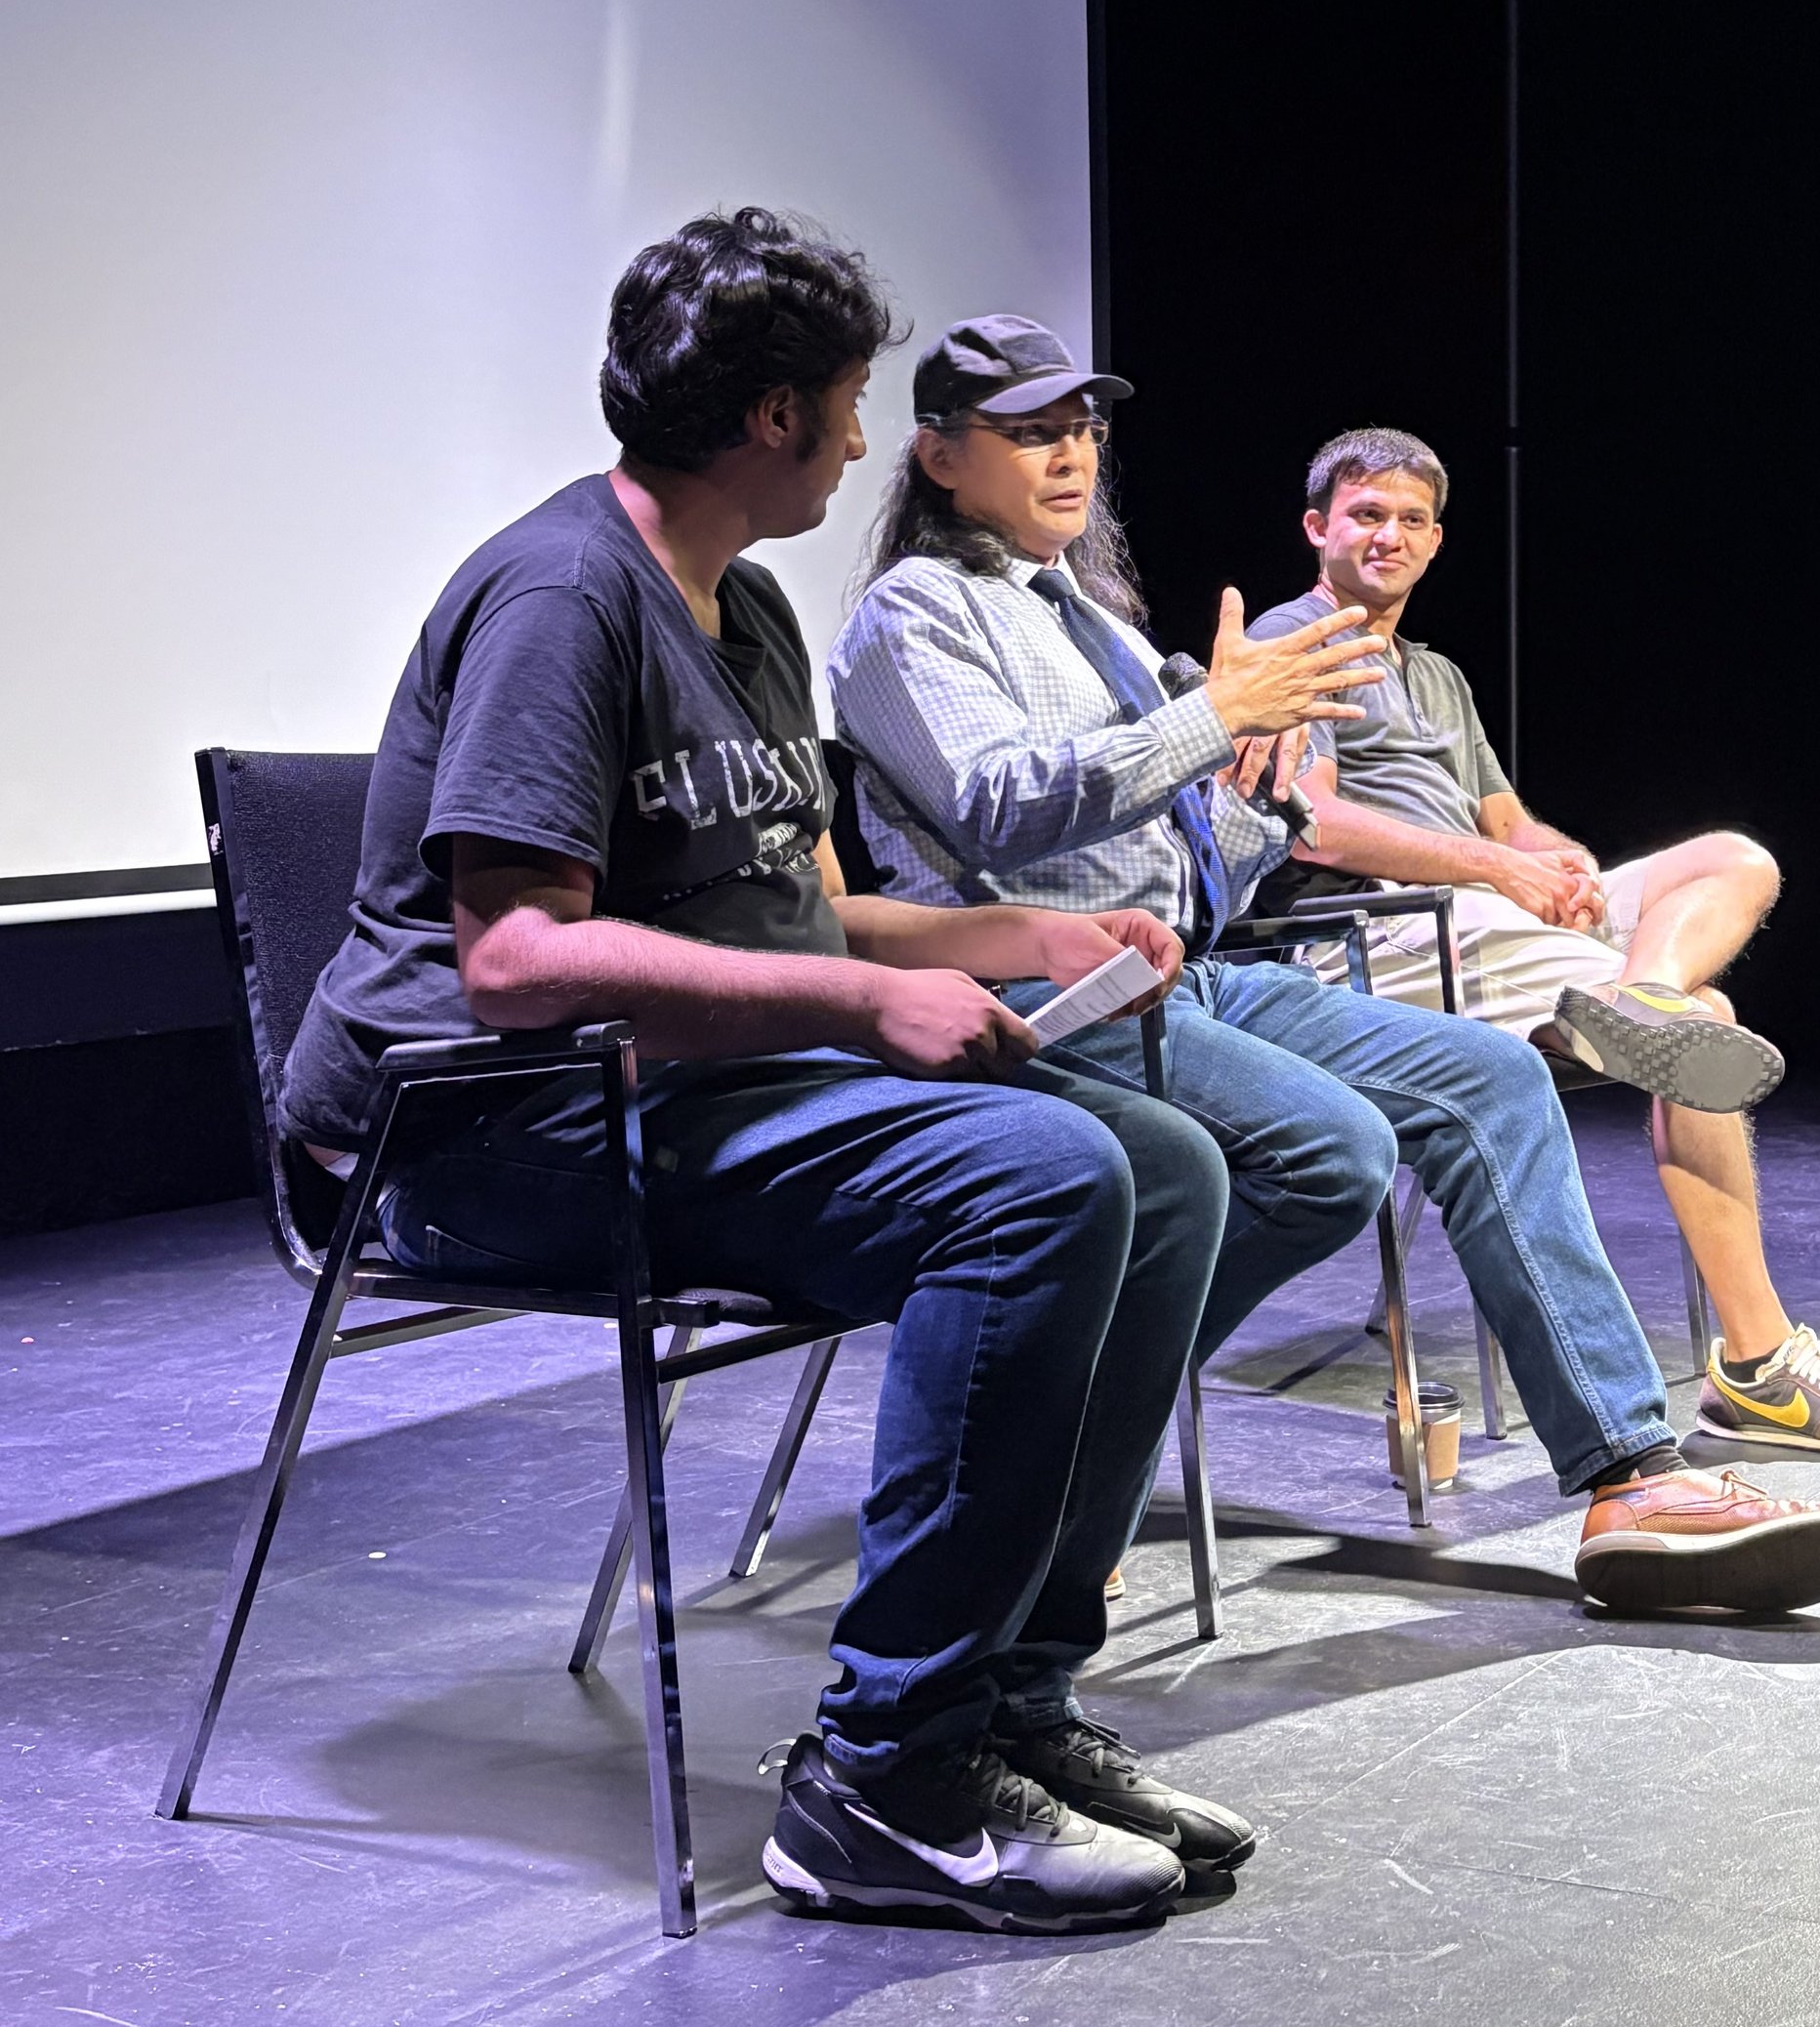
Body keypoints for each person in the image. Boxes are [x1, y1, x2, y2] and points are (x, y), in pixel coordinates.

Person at [280, 210, 1267, 1938]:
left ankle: (1006, 1705)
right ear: (767, 417)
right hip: (473, 1131)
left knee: (1167, 1163)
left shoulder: (744, 608)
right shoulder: (562, 598)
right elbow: (511, 963)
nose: (868, 439)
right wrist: (847, 1005)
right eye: (846, 401)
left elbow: (801, 908)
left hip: (660, 1086)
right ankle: (889, 1767)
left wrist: (1002, 942)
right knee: (1038, 1183)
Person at [826, 314, 1820, 1620]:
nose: (1072, 453)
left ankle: (1635, 1479)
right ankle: (1072, 1425)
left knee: (1497, 1078)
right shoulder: (912, 614)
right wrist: (1215, 718)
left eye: (1083, 426)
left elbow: (1197, 873)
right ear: (941, 456)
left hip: (1191, 973)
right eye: (1031, 429)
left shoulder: (1089, 623)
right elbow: (1001, 805)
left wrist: (1259, 800)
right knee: (1328, 1151)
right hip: (1042, 994)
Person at [1247, 426, 1820, 1459]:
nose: (1389, 536)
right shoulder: (1291, 643)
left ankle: (1637, 997)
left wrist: (1555, 866)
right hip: (1386, 931)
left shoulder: (1435, 674)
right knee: (1709, 1027)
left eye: (1411, 520)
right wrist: (1496, 870)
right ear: (1317, 527)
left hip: (1488, 913)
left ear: (1437, 540)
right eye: (1366, 516)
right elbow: (1318, 822)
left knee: (1734, 859)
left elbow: (1507, 821)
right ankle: (1756, 1363)